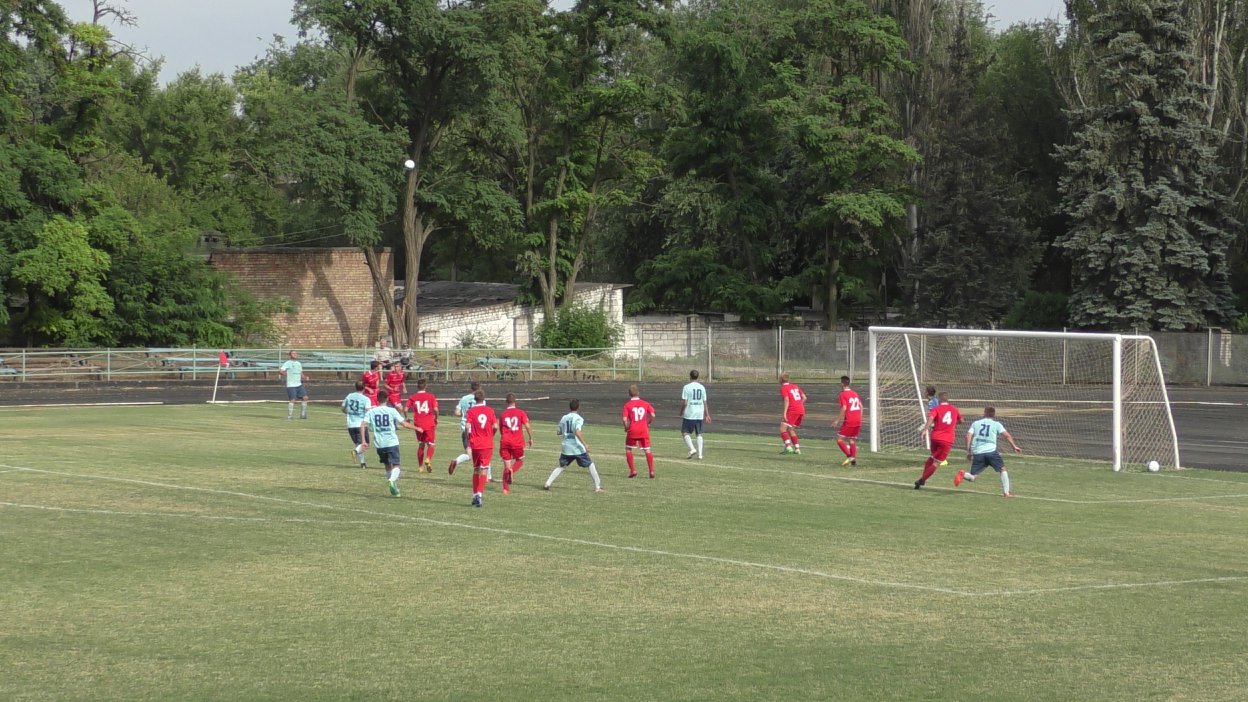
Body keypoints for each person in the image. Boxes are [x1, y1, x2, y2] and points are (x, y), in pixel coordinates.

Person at [956, 407, 1022, 497]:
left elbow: (968, 436)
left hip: (978, 453)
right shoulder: (996, 424)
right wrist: (1014, 446)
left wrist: (968, 452)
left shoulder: (976, 423)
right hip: (991, 452)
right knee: (1003, 469)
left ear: (984, 413)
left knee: (973, 477)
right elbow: (1007, 435)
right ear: (994, 415)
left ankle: (964, 474)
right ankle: (1006, 493)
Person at [361, 395, 416, 497]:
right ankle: (392, 480)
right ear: (387, 399)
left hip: (379, 444)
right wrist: (416, 428)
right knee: (396, 465)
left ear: (377, 400)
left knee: (387, 465)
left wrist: (364, 441)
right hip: (391, 442)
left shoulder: (371, 412)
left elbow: (363, 425)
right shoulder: (392, 411)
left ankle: (394, 490)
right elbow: (404, 424)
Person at [544, 399, 604, 493]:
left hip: (566, 447)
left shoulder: (564, 418)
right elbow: (577, 431)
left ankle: (547, 483)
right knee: (590, 464)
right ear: (578, 407)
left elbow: (558, 432)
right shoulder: (579, 418)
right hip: (577, 447)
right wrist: (585, 444)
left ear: (569, 407)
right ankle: (597, 487)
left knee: (562, 466)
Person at [915, 392, 962, 490]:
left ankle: (923, 479)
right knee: (936, 463)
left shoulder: (936, 408)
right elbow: (961, 421)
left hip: (935, 437)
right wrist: (953, 423)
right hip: (947, 439)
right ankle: (922, 479)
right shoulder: (954, 409)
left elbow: (931, 418)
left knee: (932, 458)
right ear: (947, 400)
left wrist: (925, 430)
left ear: (939, 400)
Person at [464, 390, 497, 507]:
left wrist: (469, 436)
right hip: (487, 443)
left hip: (475, 443)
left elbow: (467, 426)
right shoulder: (490, 410)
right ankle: (479, 494)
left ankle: (474, 495)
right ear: (484, 399)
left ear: (474, 399)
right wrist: (491, 435)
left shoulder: (471, 411)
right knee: (484, 469)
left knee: (476, 469)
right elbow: (495, 426)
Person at [449, 381, 488, 479]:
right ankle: (487, 477)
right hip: (477, 430)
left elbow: (457, 412)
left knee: (469, 454)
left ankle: (456, 461)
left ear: (471, 388)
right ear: (480, 388)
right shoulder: (482, 400)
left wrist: (464, 414)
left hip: (465, 428)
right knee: (484, 451)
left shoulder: (464, 398)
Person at [499, 393, 533, 494]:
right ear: (515, 401)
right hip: (517, 442)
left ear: (506, 402)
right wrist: (530, 438)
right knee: (520, 460)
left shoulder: (503, 414)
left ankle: (505, 489)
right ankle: (512, 470)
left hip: (505, 441)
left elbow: (501, 430)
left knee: (506, 466)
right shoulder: (520, 412)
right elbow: (527, 426)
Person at [404, 377, 439, 472]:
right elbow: (435, 409)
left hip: (418, 424)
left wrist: (406, 418)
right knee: (431, 444)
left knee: (421, 445)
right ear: (426, 386)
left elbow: (405, 409)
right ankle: (427, 459)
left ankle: (420, 467)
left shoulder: (413, 397)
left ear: (417, 387)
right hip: (429, 423)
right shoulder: (430, 396)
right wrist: (436, 418)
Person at [622, 384, 657, 478]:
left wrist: (626, 428)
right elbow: (653, 415)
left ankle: (633, 470)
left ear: (629, 394)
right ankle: (652, 471)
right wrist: (648, 422)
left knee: (628, 449)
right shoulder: (645, 403)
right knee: (647, 450)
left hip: (633, 429)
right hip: (643, 429)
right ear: (638, 392)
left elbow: (625, 419)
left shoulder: (627, 405)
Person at [341, 381, 372, 469]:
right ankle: (355, 452)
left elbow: (343, 407)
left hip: (350, 424)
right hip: (361, 424)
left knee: (358, 444)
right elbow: (368, 411)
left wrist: (348, 413)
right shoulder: (366, 399)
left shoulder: (349, 396)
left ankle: (362, 463)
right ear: (364, 387)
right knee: (365, 444)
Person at [680, 369, 710, 460]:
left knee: (685, 432)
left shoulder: (686, 387)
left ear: (690, 377)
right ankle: (700, 455)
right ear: (698, 377)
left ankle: (692, 449)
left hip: (690, 413)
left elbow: (685, 402)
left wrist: (681, 411)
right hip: (699, 414)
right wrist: (707, 414)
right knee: (699, 434)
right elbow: (705, 402)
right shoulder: (702, 387)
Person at [835, 376, 863, 466]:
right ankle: (853, 461)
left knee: (839, 439)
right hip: (858, 419)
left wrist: (837, 420)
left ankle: (849, 456)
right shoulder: (854, 393)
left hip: (850, 419)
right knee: (852, 440)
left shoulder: (842, 394)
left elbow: (844, 407)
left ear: (842, 384)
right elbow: (861, 407)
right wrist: (859, 418)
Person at [778, 372, 807, 455]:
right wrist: (799, 405)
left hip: (792, 410)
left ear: (780, 380)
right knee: (790, 429)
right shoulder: (795, 386)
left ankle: (788, 447)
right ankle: (797, 449)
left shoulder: (784, 388)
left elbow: (786, 400)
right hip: (801, 410)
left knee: (782, 429)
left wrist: (784, 413)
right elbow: (804, 397)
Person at [278, 350, 310, 420]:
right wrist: (285, 374)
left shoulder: (298, 363)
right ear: (290, 355)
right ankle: (290, 416)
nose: (295, 354)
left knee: (305, 398)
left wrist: (304, 377)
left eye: (296, 353)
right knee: (292, 399)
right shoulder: (288, 363)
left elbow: (301, 373)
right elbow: (280, 370)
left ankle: (303, 415)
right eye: (293, 353)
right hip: (291, 385)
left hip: (299, 384)